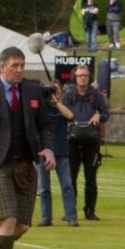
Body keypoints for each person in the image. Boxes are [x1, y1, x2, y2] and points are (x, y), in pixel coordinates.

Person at [0, 48, 55, 249]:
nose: (20, 70)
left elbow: (46, 124)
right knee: (8, 220)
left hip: (26, 166)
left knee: (21, 226)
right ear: (2, 66)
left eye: (22, 65)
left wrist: (49, 148)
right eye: (14, 65)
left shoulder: (31, 90)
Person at [62, 64, 109, 221]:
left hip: (91, 141)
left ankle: (90, 210)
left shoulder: (97, 95)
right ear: (74, 77)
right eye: (79, 75)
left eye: (85, 75)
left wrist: (99, 117)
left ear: (89, 77)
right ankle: (70, 210)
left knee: (91, 178)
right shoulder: (68, 95)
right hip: (72, 141)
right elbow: (61, 112)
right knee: (71, 177)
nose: (82, 78)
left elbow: (105, 113)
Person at [35, 79, 78, 227]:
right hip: (43, 151)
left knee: (67, 185)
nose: (55, 93)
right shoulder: (41, 108)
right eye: (52, 90)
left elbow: (71, 116)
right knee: (44, 187)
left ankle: (71, 216)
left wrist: (56, 102)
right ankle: (46, 217)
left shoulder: (62, 107)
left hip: (61, 151)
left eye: (57, 90)